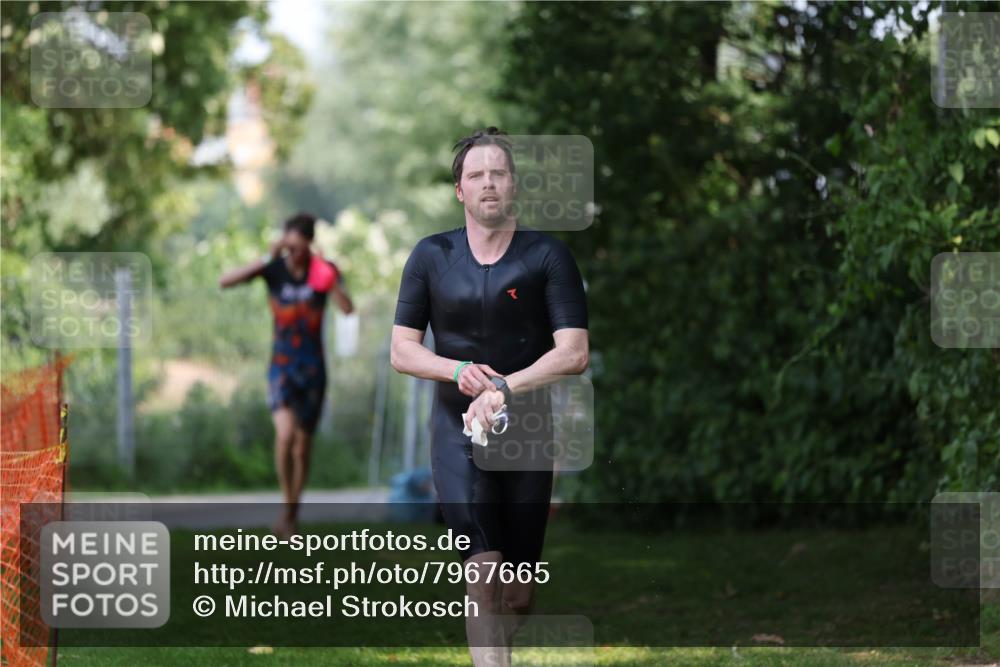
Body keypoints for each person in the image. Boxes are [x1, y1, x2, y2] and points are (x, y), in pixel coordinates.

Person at [390, 127, 589, 666]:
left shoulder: (548, 255)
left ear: (514, 184)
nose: (487, 184)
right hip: (457, 431)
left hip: (527, 432)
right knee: (482, 573)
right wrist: (457, 371)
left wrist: (503, 386)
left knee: (517, 593)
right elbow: (402, 351)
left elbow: (573, 352)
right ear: (460, 190)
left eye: (497, 173)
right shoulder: (431, 256)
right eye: (475, 175)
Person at [218, 212, 354, 538]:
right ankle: (286, 508)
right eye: (288, 244)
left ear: (309, 243)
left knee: (302, 448)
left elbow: (348, 308)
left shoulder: (323, 271)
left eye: (298, 245)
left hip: (313, 369)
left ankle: (292, 513)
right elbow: (226, 281)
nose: (293, 251)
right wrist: (268, 255)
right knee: (284, 436)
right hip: (281, 366)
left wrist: (328, 277)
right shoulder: (273, 269)